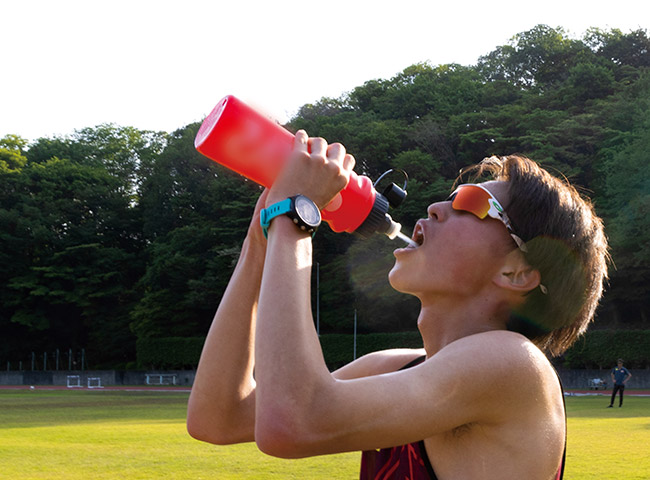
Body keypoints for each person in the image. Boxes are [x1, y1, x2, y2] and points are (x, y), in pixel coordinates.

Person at [187, 130, 609, 480]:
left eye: (472, 203)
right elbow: (217, 418)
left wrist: (296, 215)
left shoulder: (514, 364)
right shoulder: (394, 365)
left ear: (518, 272)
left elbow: (293, 423)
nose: (436, 207)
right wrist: (259, 242)